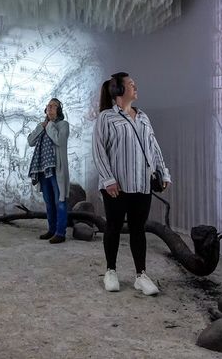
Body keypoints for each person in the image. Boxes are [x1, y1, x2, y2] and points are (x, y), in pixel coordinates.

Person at [92, 72, 171, 295]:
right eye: (131, 84)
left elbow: (154, 148)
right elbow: (99, 151)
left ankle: (141, 276)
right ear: (118, 90)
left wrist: (163, 173)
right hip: (116, 186)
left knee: (138, 229)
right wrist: (108, 179)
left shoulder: (143, 117)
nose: (136, 87)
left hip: (142, 184)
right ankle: (111, 271)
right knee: (114, 228)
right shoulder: (106, 118)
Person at [27, 98, 71, 243]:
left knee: (60, 200)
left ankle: (60, 232)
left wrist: (50, 125)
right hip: (43, 169)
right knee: (49, 202)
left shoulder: (63, 125)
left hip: (56, 169)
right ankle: (51, 230)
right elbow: (30, 141)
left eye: (54, 106)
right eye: (48, 106)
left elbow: (59, 140)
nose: (50, 108)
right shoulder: (43, 126)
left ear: (59, 110)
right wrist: (42, 126)